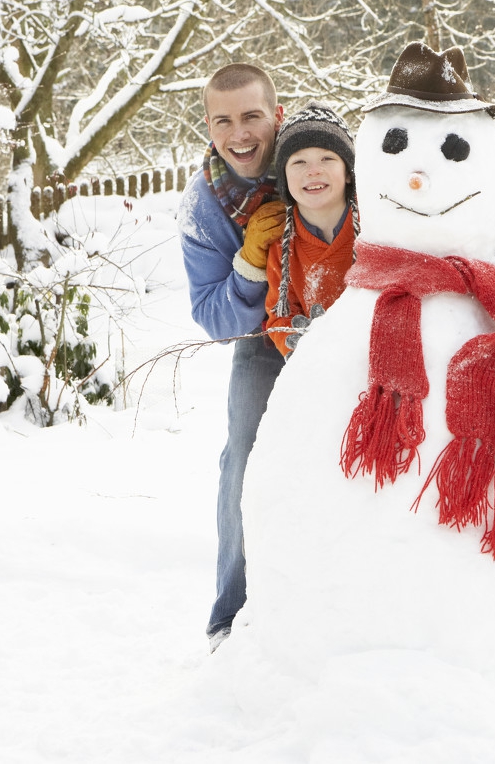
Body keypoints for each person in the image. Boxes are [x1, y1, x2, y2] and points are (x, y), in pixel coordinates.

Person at [178, 63, 286, 652]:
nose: (239, 134)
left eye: (251, 116)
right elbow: (216, 319)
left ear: (275, 112)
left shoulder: (319, 156)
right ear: (209, 124)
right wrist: (250, 260)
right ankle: (230, 610)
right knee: (245, 455)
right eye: (224, 120)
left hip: (340, 325)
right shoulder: (205, 206)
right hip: (263, 339)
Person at [263, 102, 358, 357]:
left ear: (348, 173)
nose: (313, 170)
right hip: (321, 368)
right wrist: (300, 348)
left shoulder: (376, 226)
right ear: (284, 178)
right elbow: (279, 317)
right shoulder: (282, 248)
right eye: (299, 162)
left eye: (327, 158)